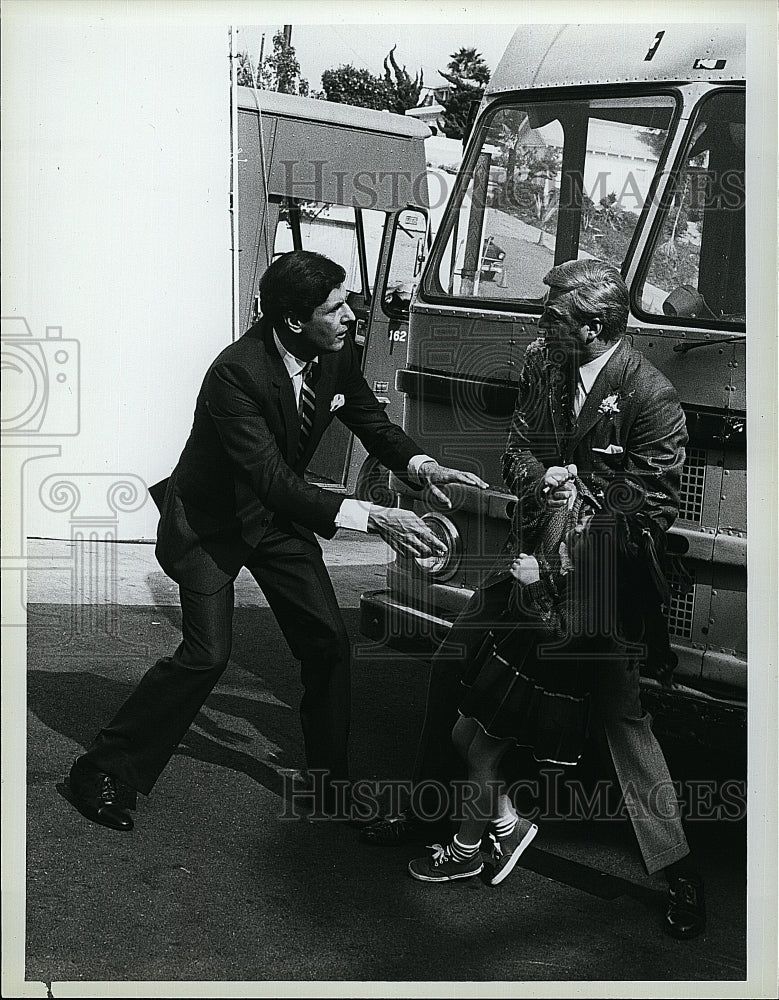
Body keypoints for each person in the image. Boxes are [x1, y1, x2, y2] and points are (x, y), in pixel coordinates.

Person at [66, 250, 486, 831]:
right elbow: (271, 479)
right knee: (206, 656)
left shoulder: (336, 353)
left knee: (327, 642)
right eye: (336, 309)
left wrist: (424, 468)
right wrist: (378, 518)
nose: (351, 317)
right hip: (213, 523)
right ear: (294, 321)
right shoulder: (236, 373)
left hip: (277, 520)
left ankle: (327, 786)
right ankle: (101, 770)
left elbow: (372, 421)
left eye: (348, 305)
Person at [364, 259, 705, 940]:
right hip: (523, 559)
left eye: (551, 315)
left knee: (621, 720)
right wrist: (537, 477)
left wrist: (577, 500)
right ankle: (428, 811)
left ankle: (677, 874)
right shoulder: (542, 363)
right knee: (450, 663)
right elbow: (516, 451)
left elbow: (654, 506)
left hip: (597, 579)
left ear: (593, 324)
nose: (537, 323)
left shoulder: (650, 396)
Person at [408, 481, 603, 886]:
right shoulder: (568, 529)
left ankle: (465, 852)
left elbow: (564, 635)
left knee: (482, 755)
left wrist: (533, 583)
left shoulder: (597, 567)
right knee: (463, 735)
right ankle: (508, 825)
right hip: (518, 658)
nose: (575, 522)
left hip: (543, 676)